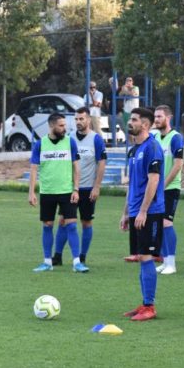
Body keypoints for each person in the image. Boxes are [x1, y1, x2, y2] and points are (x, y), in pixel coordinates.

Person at [119, 107, 165, 321]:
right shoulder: (133, 150)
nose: (130, 122)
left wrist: (144, 211)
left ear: (145, 125)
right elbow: (133, 185)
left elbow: (153, 181)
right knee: (141, 258)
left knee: (147, 257)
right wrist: (126, 212)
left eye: (135, 120)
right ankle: (144, 303)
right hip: (136, 212)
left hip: (150, 212)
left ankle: (150, 306)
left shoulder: (152, 148)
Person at [52, 107, 107, 271]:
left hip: (88, 188)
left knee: (86, 222)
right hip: (69, 189)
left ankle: (82, 256)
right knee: (62, 220)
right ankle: (57, 256)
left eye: (81, 119)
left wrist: (96, 187)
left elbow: (102, 164)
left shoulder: (96, 139)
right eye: (76, 119)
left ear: (89, 120)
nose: (78, 122)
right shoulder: (68, 139)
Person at [28, 113, 81, 272]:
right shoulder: (40, 144)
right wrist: (31, 192)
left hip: (67, 191)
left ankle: (77, 263)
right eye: (61, 125)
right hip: (47, 192)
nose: (65, 128)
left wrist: (76, 189)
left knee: (71, 225)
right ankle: (47, 262)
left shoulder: (70, 142)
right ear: (51, 126)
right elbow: (33, 170)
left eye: (65, 125)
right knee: (47, 226)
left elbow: (76, 167)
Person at [153, 105, 184, 275]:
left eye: (159, 116)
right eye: (155, 116)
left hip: (170, 187)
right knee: (160, 224)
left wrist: (163, 185)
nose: (156, 119)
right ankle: (165, 261)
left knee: (167, 223)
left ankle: (171, 263)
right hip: (157, 188)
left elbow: (178, 165)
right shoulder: (154, 137)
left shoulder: (176, 138)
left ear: (168, 117)